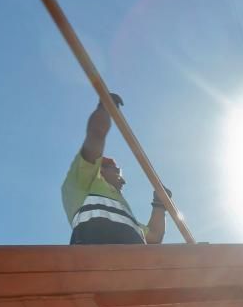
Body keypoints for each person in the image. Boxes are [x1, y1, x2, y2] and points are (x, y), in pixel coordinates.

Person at [61, 93, 166, 244]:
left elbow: (154, 237)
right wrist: (105, 110)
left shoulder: (126, 218)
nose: (123, 180)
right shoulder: (83, 182)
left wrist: (159, 205)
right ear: (100, 170)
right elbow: (95, 137)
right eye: (117, 171)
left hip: (133, 264)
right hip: (96, 259)